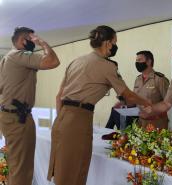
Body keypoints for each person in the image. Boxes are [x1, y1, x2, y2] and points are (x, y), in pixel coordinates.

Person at [47, 25, 151, 185]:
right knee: (75, 172)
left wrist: (63, 120)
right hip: (78, 119)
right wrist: (146, 103)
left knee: (63, 171)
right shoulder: (107, 66)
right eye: (115, 42)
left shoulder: (76, 62)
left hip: (61, 119)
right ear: (108, 43)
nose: (116, 46)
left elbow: (58, 96)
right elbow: (128, 95)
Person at [0, 27, 60, 185]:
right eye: (32, 38)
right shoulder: (20, 55)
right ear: (22, 41)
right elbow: (53, 61)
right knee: (22, 167)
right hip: (18, 118)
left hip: (10, 116)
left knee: (16, 164)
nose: (34, 41)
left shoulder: (7, 58)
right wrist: (43, 43)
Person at [134, 50, 169, 129]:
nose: (137, 63)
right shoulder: (138, 79)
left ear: (148, 62)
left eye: (139, 60)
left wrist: (154, 108)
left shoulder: (160, 79)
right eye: (136, 60)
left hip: (157, 123)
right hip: (140, 122)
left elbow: (168, 102)